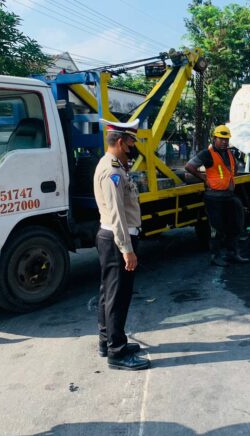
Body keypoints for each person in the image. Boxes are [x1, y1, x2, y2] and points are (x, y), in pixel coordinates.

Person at [94, 118, 150, 370]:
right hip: (118, 238)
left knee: (109, 292)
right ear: (119, 141)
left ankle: (108, 341)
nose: (132, 147)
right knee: (118, 296)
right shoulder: (113, 171)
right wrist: (127, 249)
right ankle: (117, 353)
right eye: (130, 142)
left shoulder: (112, 164)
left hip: (112, 236)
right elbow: (117, 214)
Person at [185, 125, 249, 267]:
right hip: (214, 197)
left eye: (226, 139)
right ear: (214, 139)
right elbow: (189, 166)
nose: (225, 142)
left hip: (229, 195)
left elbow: (234, 169)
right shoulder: (207, 154)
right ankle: (215, 256)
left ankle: (233, 253)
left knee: (235, 225)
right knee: (217, 228)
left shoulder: (230, 154)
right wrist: (204, 178)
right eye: (222, 139)